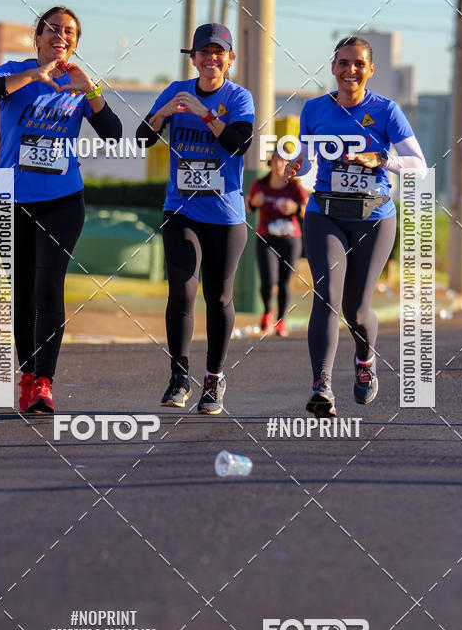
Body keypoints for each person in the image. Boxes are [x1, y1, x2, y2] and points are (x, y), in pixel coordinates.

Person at [0, 5, 122, 414]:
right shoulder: (14, 71)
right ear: (37, 37)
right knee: (21, 291)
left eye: (70, 32)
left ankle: (44, 381)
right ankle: (27, 371)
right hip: (8, 196)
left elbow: (113, 134)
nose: (61, 35)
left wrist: (89, 89)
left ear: (75, 43)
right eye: (53, 29)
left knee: (47, 286)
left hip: (62, 199)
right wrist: (33, 76)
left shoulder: (77, 83)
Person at [286, 36, 426, 417]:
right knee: (326, 297)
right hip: (324, 213)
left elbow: (418, 164)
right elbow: (309, 156)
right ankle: (322, 387)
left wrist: (381, 158)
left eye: (359, 64)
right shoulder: (314, 109)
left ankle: (365, 360)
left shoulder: (385, 111)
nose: (351, 71)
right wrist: (298, 163)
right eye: (344, 63)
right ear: (333, 67)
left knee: (356, 308)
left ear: (370, 70)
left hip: (374, 218)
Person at [136, 23, 254, 414]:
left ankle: (215, 378)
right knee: (182, 292)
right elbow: (141, 138)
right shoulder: (175, 91)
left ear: (229, 58)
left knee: (217, 297)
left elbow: (238, 145)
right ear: (194, 58)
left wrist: (205, 114)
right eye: (203, 52)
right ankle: (178, 376)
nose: (210, 59)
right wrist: (163, 113)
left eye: (218, 52)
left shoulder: (239, 98)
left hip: (225, 214)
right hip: (181, 208)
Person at [246, 150, 307, 337]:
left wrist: (295, 207)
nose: (279, 164)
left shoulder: (295, 187)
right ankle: (267, 313)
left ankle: (281, 320)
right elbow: (248, 205)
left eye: (283, 161)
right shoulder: (260, 184)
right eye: (276, 160)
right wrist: (254, 201)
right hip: (266, 236)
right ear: (270, 162)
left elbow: (307, 210)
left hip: (290, 239)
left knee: (284, 281)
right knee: (267, 279)